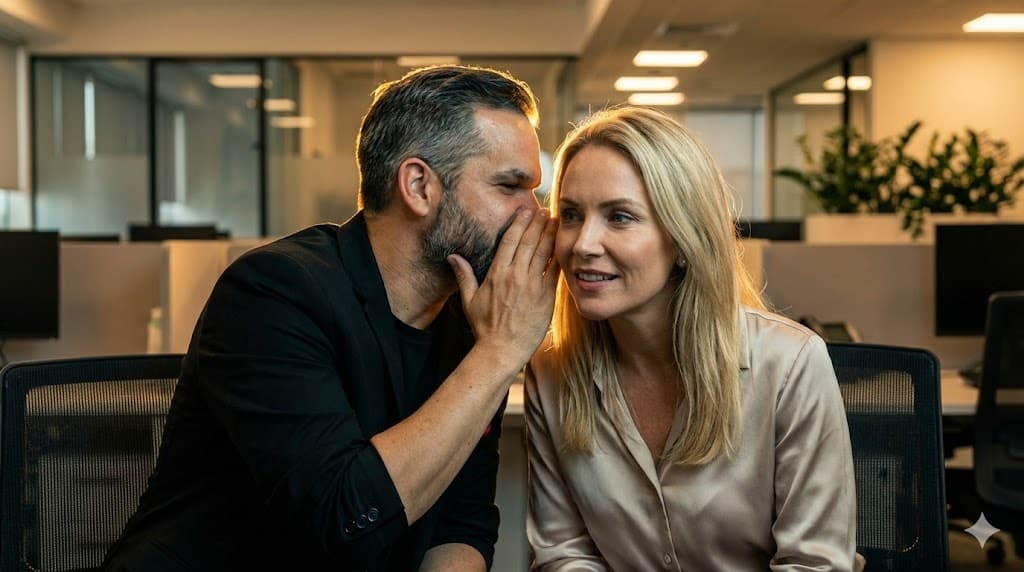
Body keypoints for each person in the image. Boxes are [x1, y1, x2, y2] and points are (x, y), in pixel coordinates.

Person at [104, 65, 558, 571]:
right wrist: (499, 354)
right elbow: (343, 521)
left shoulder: (467, 321)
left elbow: (460, 525)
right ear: (419, 186)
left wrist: (492, 350)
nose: (534, 216)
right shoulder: (272, 292)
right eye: (511, 187)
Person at [525, 107, 857, 570]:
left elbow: (813, 564)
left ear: (683, 238)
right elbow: (565, 553)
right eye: (572, 215)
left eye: (620, 217)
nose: (583, 244)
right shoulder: (552, 374)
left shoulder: (789, 365)